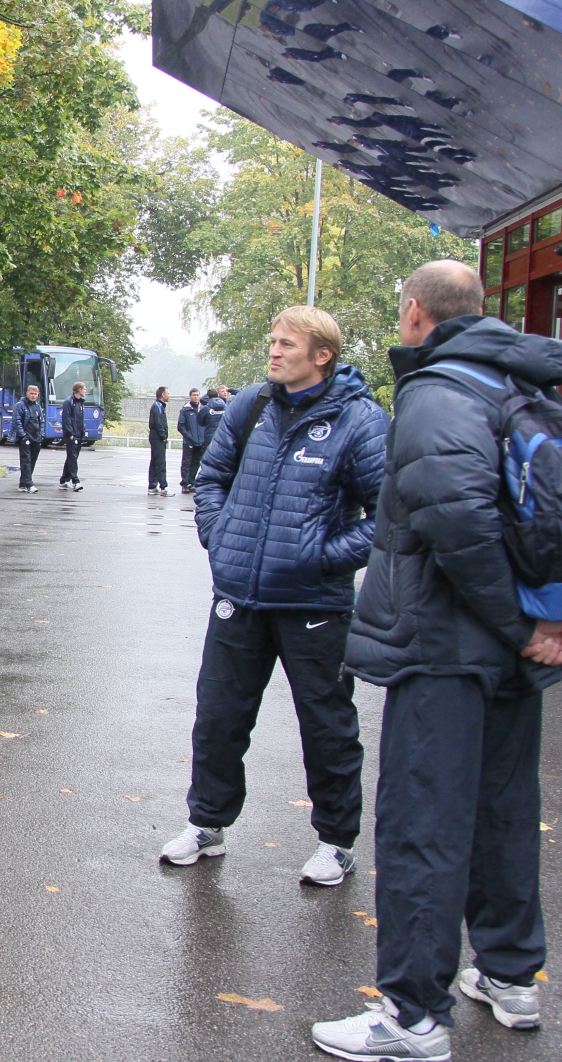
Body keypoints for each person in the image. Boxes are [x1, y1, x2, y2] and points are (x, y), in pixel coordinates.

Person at [313, 260, 562, 1060]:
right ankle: (510, 975)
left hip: (447, 646)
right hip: (514, 648)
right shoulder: (524, 382)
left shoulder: (435, 390)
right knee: (502, 811)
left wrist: (519, 624)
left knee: (425, 822)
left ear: (414, 312)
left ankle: (412, 1015)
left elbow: (456, 523)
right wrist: (538, 623)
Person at [161, 306, 387, 894]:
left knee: (327, 725)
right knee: (218, 717)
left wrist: (320, 557)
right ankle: (207, 825)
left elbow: (390, 513)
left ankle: (336, 843)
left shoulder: (360, 420)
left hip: (315, 604)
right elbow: (212, 477)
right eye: (272, 342)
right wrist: (220, 535)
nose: (274, 352)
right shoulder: (252, 404)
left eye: (288, 344)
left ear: (322, 355)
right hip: (239, 596)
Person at [12, 384, 45, 493]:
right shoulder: (20, 405)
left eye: (35, 394)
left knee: (32, 461)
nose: (33, 396)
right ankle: (29, 484)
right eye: (31, 393)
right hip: (25, 437)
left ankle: (23, 483)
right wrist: (23, 436)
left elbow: (42, 422)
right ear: (27, 393)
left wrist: (41, 434)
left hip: (36, 438)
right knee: (26, 461)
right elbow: (17, 421)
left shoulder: (38, 406)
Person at [59, 382, 87, 490]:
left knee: (72, 457)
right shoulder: (68, 402)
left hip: (79, 434)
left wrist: (82, 431)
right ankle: (76, 481)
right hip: (71, 435)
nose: (85, 391)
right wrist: (70, 433)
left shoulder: (80, 403)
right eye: (84, 389)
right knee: (73, 457)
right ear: (79, 389)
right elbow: (66, 419)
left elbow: (80, 419)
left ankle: (63, 480)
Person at [177, 388, 206, 493]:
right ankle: (184, 484)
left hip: (200, 442)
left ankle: (191, 482)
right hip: (189, 442)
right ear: (190, 396)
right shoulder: (185, 410)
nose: (196, 397)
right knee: (186, 463)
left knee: (196, 463)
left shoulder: (203, 409)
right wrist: (189, 437)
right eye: (194, 395)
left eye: (198, 395)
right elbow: (181, 426)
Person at [148, 386, 172, 496]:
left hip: (156, 436)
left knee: (155, 461)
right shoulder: (157, 406)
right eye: (168, 393)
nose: (169, 395)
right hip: (157, 437)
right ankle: (164, 487)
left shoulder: (159, 406)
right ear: (163, 395)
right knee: (160, 462)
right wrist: (163, 436)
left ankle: (152, 486)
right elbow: (158, 423)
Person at [200, 385, 229, 451]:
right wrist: (213, 392)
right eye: (223, 391)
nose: (225, 393)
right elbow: (202, 399)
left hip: (213, 436)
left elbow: (200, 422)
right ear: (218, 394)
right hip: (221, 436)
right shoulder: (225, 406)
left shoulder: (227, 404)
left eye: (226, 391)